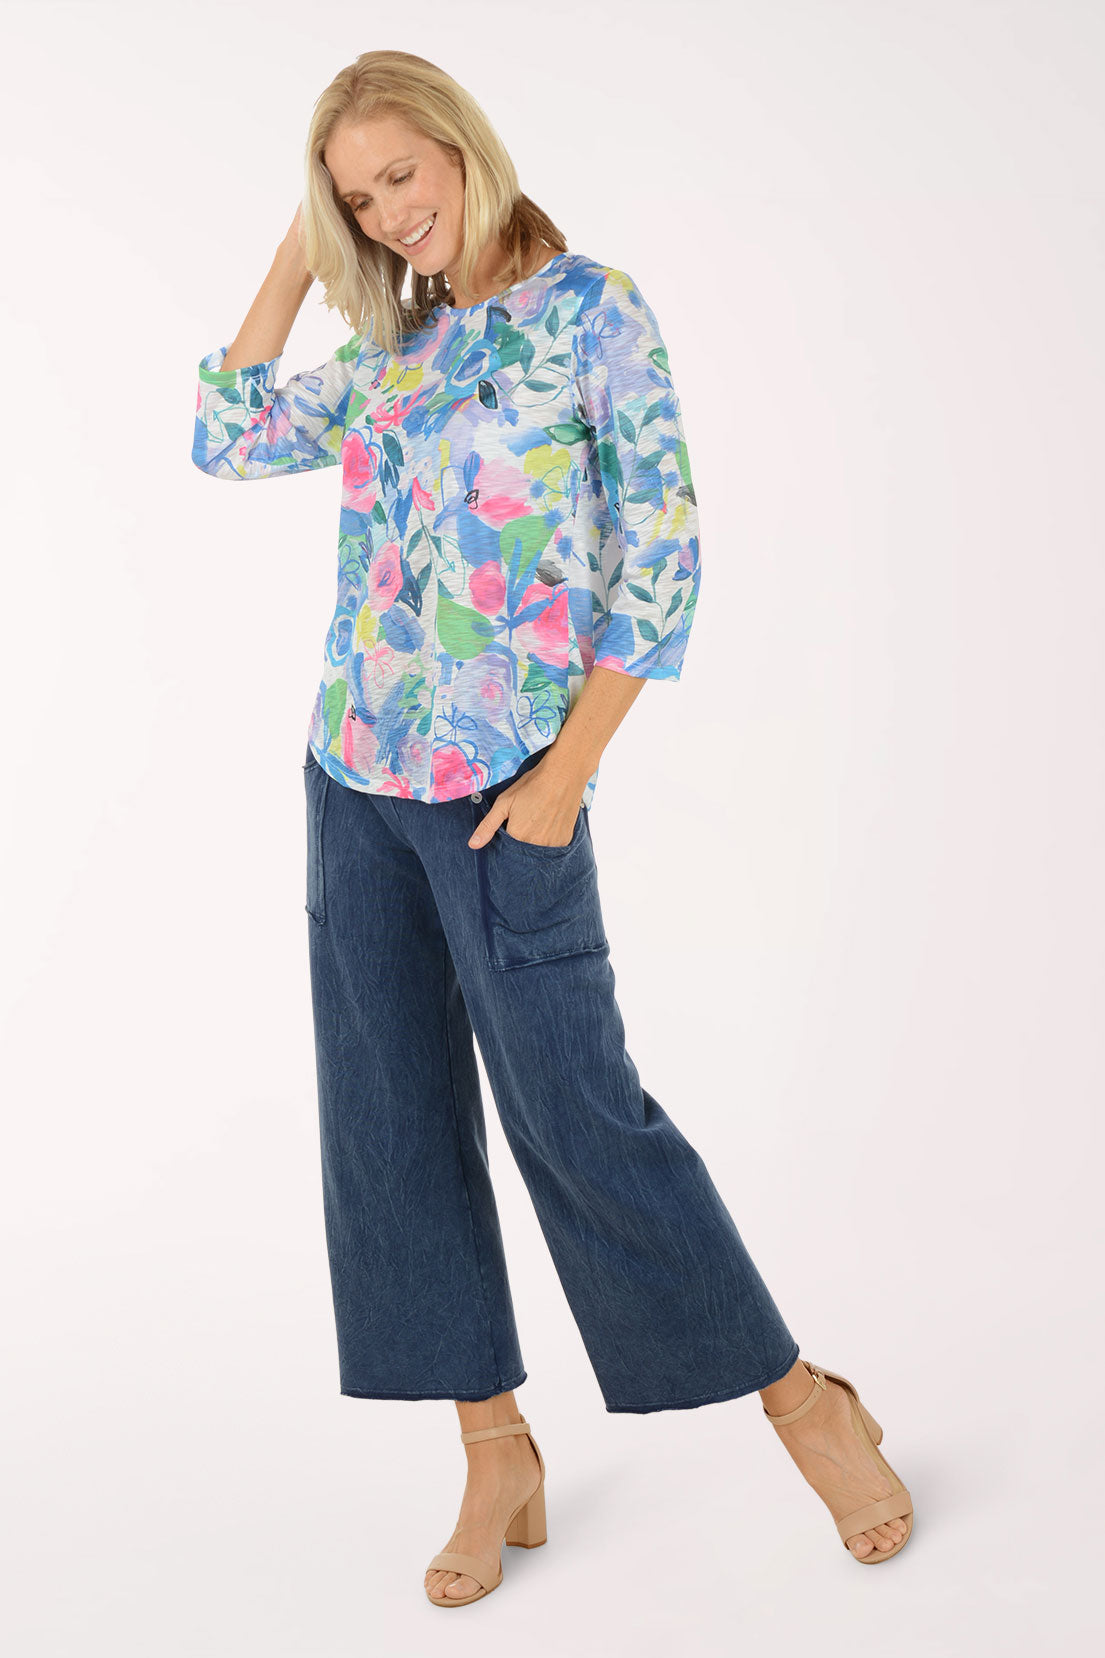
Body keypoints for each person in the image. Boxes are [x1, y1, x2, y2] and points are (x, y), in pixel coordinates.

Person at [192, 48, 914, 1607]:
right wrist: (302, 250)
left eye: (403, 175)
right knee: (390, 1129)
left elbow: (660, 561)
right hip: (355, 784)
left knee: (582, 1113)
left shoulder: (592, 313)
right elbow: (228, 430)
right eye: (358, 198)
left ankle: (804, 1401)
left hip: (508, 795)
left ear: (461, 146)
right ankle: (492, 1444)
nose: (393, 213)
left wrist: (567, 775)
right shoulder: (395, 342)